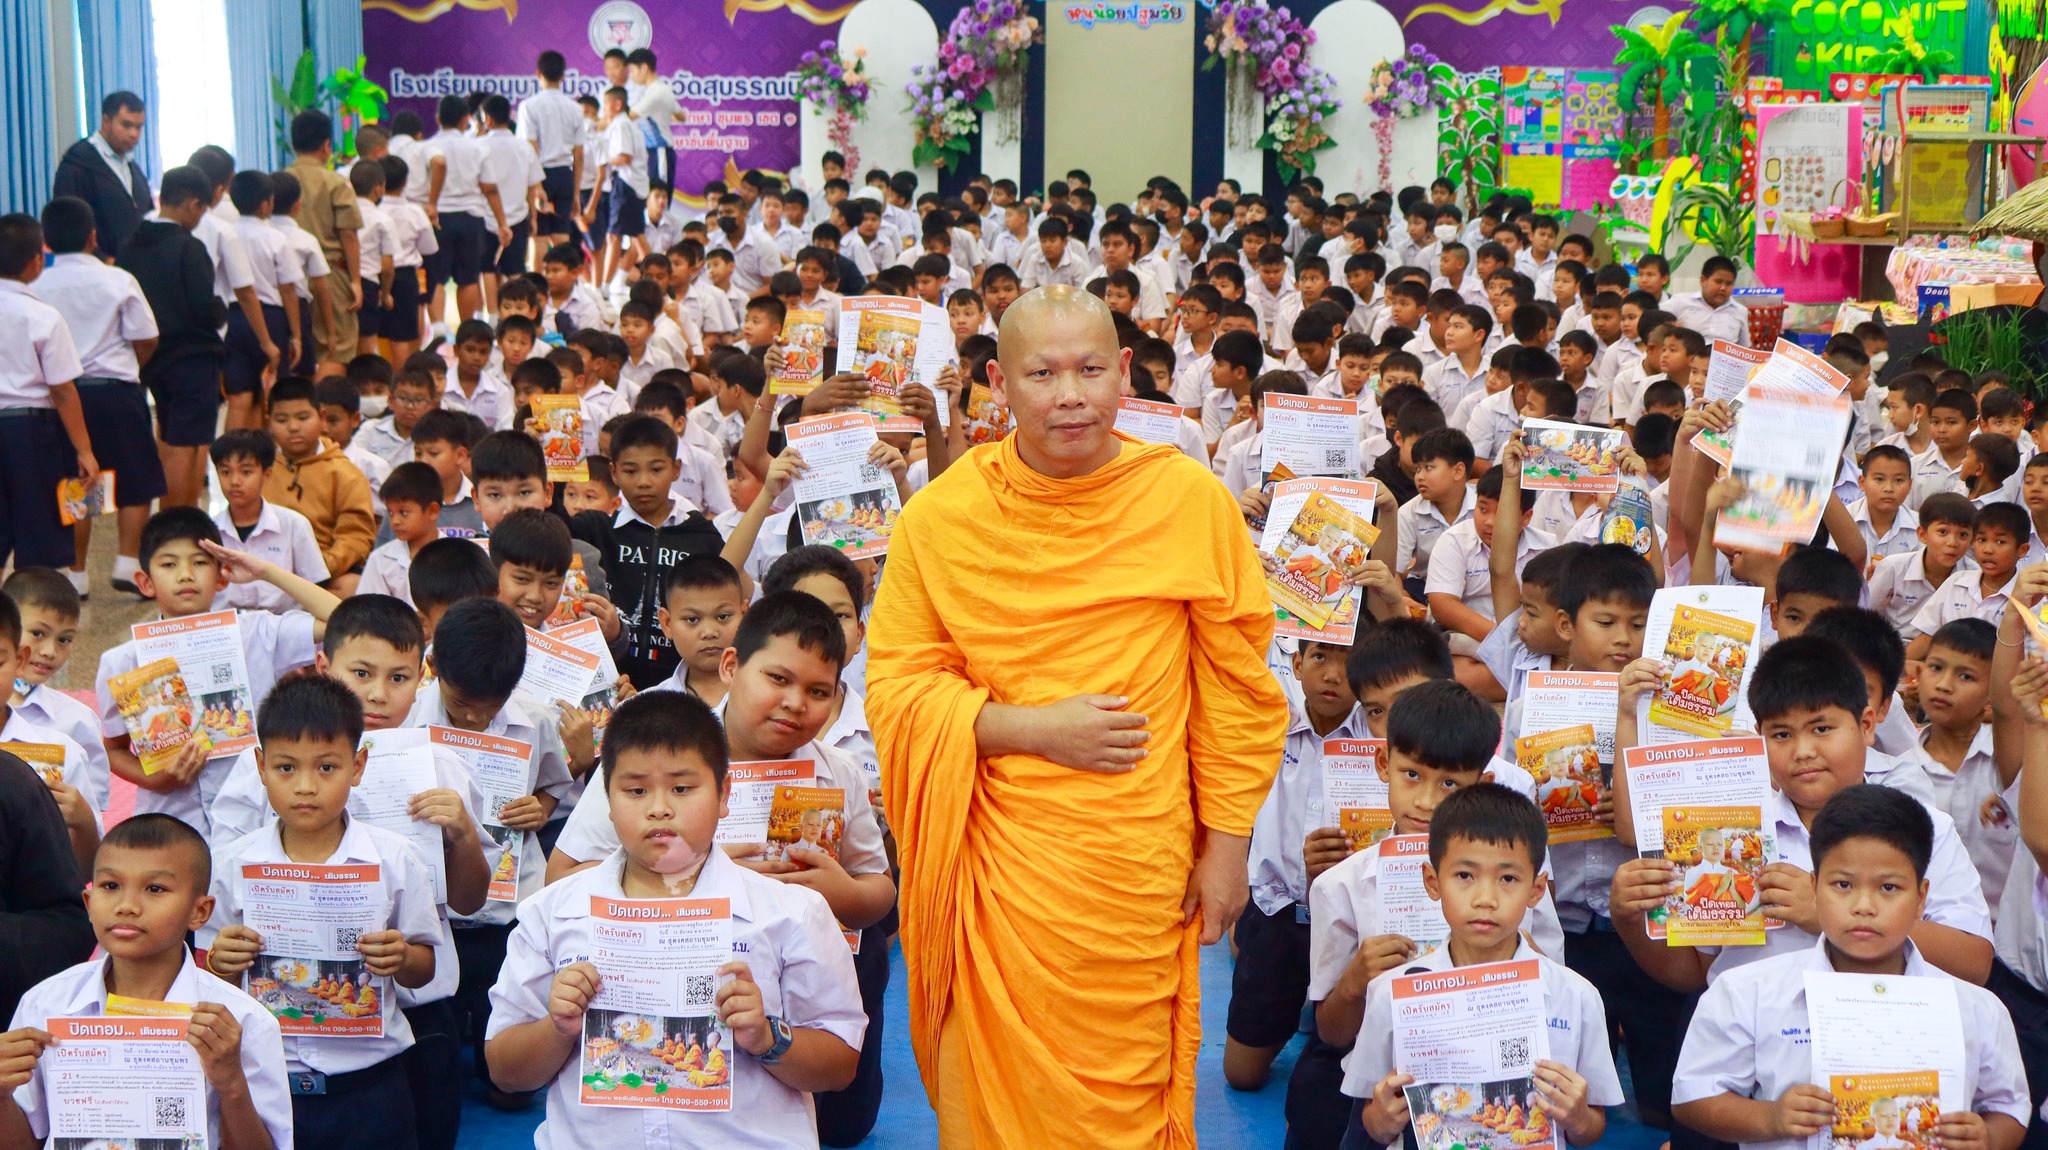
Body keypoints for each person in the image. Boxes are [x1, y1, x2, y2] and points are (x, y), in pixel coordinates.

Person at [865, 286, 1287, 1146]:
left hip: (1136, 864)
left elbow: (1238, 692)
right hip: (1000, 865)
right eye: (1043, 373)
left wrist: (1230, 846)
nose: (1070, 394)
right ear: (997, 383)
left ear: (1125, 372)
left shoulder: (1186, 500)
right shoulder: (942, 517)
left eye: (1092, 369)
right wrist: (1027, 728)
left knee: (1123, 1090)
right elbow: (896, 689)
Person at [482, 691, 866, 1146]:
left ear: (724, 795)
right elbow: (505, 1071)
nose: (659, 808)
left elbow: (840, 1066)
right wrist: (557, 1028)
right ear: (607, 801)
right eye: (636, 789)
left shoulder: (790, 912)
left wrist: (767, 1037)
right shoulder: (554, 912)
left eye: (682, 788)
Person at [1670, 785, 2029, 1150]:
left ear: (1921, 898)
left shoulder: (1975, 1007)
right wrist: (1770, 1117)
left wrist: (1988, 1137)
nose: (1864, 906)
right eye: (1843, 885)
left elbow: (2009, 1108)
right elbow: (1693, 1097)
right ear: (1814, 886)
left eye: (1888, 888)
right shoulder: (1749, 992)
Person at [202, 674, 443, 1150]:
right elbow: (209, 978)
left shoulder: (394, 860)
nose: (306, 786)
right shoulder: (233, 864)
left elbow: (424, 970)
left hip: (370, 1086)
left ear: (358, 766)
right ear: (260, 767)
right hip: (269, 1084)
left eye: (327, 767)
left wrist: (402, 958)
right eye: (286, 768)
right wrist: (218, 961)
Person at [1342, 783, 1622, 1150]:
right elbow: (1372, 1121)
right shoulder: (1392, 993)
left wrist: (1578, 1117)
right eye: (1464, 876)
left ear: (1536, 890)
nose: (1485, 899)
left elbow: (1590, 1129)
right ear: (1432, 881)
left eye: (1508, 878)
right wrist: (1380, 1120)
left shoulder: (1577, 996)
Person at [0, 814, 292, 1150]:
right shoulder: (46, 1005)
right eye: (111, 886)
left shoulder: (241, 1022)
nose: (127, 906)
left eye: (155, 889)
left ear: (200, 912)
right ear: (89, 904)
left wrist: (231, 1084)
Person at [92, 508, 339, 835]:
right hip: (170, 822)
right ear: (145, 582)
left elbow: (345, 621)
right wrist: (156, 779)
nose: (185, 574)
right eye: (169, 564)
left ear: (221, 576)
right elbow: (113, 750)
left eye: (199, 562)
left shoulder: (255, 632)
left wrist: (266, 572)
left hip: (253, 820)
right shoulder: (123, 660)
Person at [33, 195, 165, 596]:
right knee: (137, 477)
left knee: (79, 479)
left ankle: (76, 573)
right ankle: (127, 563)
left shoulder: (37, 286)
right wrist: (131, 367)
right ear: (93, 236)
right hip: (116, 390)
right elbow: (146, 336)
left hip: (62, 395)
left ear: (47, 242)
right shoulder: (118, 278)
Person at [117, 164, 226, 513]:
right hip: (191, 355)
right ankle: (180, 521)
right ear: (193, 204)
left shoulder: (130, 244)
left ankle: (169, 518)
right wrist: (220, 312)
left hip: (149, 357)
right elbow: (202, 306)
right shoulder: (188, 247)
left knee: (166, 435)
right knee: (188, 444)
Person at [0, 213, 100, 572]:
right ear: (36, 262)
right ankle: (32, 619)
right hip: (31, 431)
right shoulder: (42, 316)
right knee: (39, 526)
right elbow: (62, 390)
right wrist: (84, 450)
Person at [209, 429, 330, 612]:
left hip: (282, 625)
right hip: (227, 628)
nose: (234, 481)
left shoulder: (294, 525)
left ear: (266, 474)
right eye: (225, 472)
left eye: (246, 472)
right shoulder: (209, 532)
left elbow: (317, 587)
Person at [286, 110, 363, 372]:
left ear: (294, 143)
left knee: (295, 354)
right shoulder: (336, 182)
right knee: (335, 350)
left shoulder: (279, 182)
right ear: (327, 146)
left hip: (286, 278)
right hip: (331, 275)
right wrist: (355, 280)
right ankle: (324, 412)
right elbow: (348, 234)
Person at [50, 91, 152, 257]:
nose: (134, 133)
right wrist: (103, 260)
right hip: (96, 271)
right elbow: (68, 223)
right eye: (126, 125)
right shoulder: (78, 163)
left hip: (134, 268)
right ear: (106, 121)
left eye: (139, 127)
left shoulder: (132, 167)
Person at [518, 50, 585, 254]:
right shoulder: (575, 108)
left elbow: (530, 148)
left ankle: (536, 285)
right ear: (563, 76)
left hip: (540, 175)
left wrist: (536, 185)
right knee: (561, 234)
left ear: (538, 74)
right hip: (565, 175)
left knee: (538, 236)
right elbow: (579, 154)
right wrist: (575, 192)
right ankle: (564, 283)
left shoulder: (529, 106)